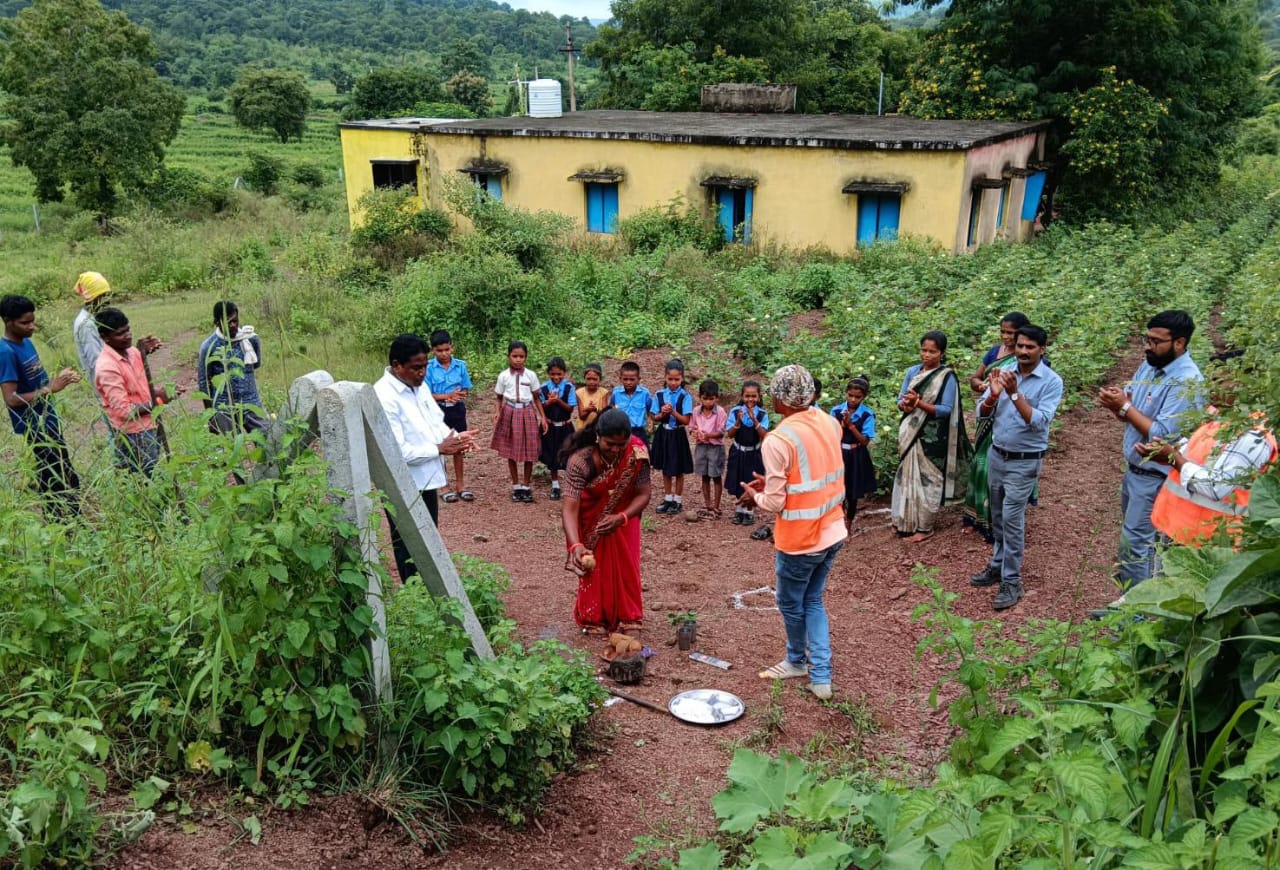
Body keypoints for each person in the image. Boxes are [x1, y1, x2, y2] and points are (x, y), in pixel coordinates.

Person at [739, 364, 845, 701]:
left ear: (779, 399)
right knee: (813, 600)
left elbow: (773, 502)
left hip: (802, 538)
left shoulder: (778, 439)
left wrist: (754, 494)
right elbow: (814, 471)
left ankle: (798, 661)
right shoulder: (829, 421)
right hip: (833, 528)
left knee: (791, 602)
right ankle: (821, 676)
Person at [1098, 310, 1203, 589]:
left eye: (1156, 341)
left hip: (1156, 477)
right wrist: (1118, 405)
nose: (1148, 345)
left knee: (1138, 546)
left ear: (1179, 343)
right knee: (1131, 541)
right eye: (1147, 338)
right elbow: (1132, 412)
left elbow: (1161, 435)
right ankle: (1125, 605)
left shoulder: (1186, 381)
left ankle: (1137, 615)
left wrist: (1124, 407)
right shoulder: (1150, 366)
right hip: (1135, 472)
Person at [968, 325, 1063, 611]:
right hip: (998, 455)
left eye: (1030, 347)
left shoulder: (1051, 382)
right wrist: (994, 394)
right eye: (1020, 346)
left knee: (1012, 519)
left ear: (1042, 349)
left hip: (1025, 461)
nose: (1022, 351)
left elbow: (1039, 422)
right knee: (997, 516)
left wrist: (1013, 393)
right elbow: (980, 413)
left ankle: (1012, 580)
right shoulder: (1005, 371)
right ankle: (997, 565)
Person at [1142, 351, 1276, 551]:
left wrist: (1174, 459)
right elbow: (1200, 456)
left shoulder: (1252, 436)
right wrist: (1168, 453)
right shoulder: (1218, 416)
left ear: (1245, 384)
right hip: (1181, 533)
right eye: (1210, 379)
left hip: (1212, 545)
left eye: (1219, 380)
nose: (1210, 387)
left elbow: (1217, 486)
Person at [374, 334, 476, 582]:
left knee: (428, 536)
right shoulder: (384, 396)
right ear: (397, 366)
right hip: (402, 483)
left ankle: (428, 591)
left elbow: (435, 423)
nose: (422, 373)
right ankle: (413, 596)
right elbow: (397, 451)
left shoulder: (420, 387)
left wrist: (456, 438)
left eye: (424, 367)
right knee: (407, 542)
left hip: (426, 478)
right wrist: (440, 449)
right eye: (416, 368)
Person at [561, 408, 651, 634]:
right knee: (592, 565)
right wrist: (575, 545)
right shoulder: (580, 461)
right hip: (591, 518)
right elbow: (570, 508)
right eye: (610, 443)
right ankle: (593, 618)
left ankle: (629, 616)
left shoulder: (637, 452)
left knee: (627, 565)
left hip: (625, 515)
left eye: (622, 444)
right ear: (598, 437)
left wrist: (622, 517)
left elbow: (644, 493)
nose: (616, 450)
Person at [0, 294, 81, 519]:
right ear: (8, 321)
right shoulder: (5, 352)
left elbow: (37, 380)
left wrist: (60, 378)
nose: (32, 327)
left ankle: (71, 518)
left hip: (48, 418)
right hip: (35, 426)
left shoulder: (25, 341)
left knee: (64, 471)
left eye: (32, 320)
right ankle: (60, 521)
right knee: (53, 476)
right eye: (25, 323)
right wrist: (50, 389)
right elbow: (11, 398)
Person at [892, 330, 968, 542]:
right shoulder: (913, 372)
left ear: (941, 353)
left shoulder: (946, 377)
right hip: (910, 431)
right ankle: (905, 521)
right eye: (923, 350)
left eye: (932, 352)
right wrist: (906, 404)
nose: (926, 355)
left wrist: (919, 404)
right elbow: (900, 400)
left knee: (929, 478)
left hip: (933, 437)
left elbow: (945, 409)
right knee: (907, 474)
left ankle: (924, 528)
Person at [965, 311, 1033, 540]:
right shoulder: (995, 352)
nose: (1006, 337)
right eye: (1003, 332)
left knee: (997, 468)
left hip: (1008, 417)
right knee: (981, 463)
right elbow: (975, 378)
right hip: (988, 408)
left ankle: (1000, 522)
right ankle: (978, 516)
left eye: (1011, 333)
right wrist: (982, 385)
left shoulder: (1025, 360)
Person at [92, 308, 169, 477]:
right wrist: (159, 400)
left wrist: (165, 393)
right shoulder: (107, 368)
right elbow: (125, 411)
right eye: (120, 334)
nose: (127, 336)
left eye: (128, 330)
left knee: (156, 470)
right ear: (105, 338)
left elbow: (140, 388)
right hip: (134, 433)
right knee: (146, 477)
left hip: (150, 424)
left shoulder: (132, 352)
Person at [71, 271, 159, 382]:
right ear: (91, 298)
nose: (107, 301)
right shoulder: (86, 325)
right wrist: (135, 353)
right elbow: (97, 361)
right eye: (102, 296)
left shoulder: (96, 318)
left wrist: (135, 352)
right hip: (107, 383)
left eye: (108, 296)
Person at [197, 301, 266, 434]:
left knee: (267, 438)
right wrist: (211, 416)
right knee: (230, 447)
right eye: (228, 322)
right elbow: (203, 381)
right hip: (223, 406)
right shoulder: (209, 346)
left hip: (250, 401)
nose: (233, 325)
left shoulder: (251, 339)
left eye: (235, 321)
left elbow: (255, 364)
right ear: (217, 323)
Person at [491, 340, 547, 503]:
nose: (518, 359)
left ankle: (526, 486)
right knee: (511, 448)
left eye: (521, 356)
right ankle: (516, 486)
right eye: (514, 356)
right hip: (509, 411)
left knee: (530, 448)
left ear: (526, 357)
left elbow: (537, 398)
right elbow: (499, 398)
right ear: (508, 356)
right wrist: (497, 411)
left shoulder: (531, 375)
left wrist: (543, 417)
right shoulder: (503, 376)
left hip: (527, 411)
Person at [427, 329, 474, 503]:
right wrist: (446, 396)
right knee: (440, 446)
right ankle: (444, 485)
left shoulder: (460, 365)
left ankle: (461, 485)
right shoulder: (429, 368)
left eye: (446, 349)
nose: (444, 354)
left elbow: (465, 388)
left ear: (452, 348)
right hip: (438, 411)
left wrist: (458, 396)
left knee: (459, 445)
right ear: (433, 350)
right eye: (439, 351)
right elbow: (426, 394)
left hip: (457, 409)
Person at [830, 376, 877, 533]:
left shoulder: (867, 415)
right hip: (839, 453)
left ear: (864, 397)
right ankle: (838, 522)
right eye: (850, 395)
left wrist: (850, 426)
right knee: (838, 489)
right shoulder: (836, 411)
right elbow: (830, 434)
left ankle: (848, 525)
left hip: (856, 454)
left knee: (853, 492)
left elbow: (865, 441)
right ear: (846, 393)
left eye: (858, 397)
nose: (853, 399)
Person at [650, 359, 694, 515]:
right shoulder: (660, 395)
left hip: (678, 433)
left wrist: (673, 412)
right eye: (670, 379)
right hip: (664, 433)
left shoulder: (685, 396)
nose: (673, 382)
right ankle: (668, 498)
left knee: (679, 468)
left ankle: (678, 499)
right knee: (665, 466)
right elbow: (654, 417)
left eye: (677, 379)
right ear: (665, 378)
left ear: (682, 379)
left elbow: (687, 420)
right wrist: (662, 413)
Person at [726, 380, 769, 526]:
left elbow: (764, 435)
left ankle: (749, 511)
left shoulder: (762, 414)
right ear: (742, 396)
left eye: (753, 396)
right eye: (747, 396)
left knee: (751, 481)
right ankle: (739, 510)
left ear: (758, 397)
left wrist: (754, 419)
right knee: (738, 479)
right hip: (738, 451)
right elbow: (730, 434)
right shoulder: (734, 411)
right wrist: (738, 421)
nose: (750, 399)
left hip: (754, 453)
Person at [539, 356, 577, 500]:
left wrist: (558, 400)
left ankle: (570, 484)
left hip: (565, 426)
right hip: (550, 427)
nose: (556, 377)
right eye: (553, 374)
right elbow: (541, 406)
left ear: (564, 373)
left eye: (559, 374)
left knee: (568, 453)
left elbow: (570, 408)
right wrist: (549, 402)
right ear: (548, 373)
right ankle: (555, 485)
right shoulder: (543, 388)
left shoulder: (569, 387)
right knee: (551, 454)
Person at [689, 378, 728, 518]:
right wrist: (694, 432)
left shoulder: (721, 412)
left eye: (711, 399)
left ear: (716, 398)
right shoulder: (696, 411)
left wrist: (709, 435)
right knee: (704, 475)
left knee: (716, 476)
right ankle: (707, 504)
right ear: (700, 398)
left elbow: (722, 431)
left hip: (715, 448)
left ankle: (716, 505)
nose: (708, 402)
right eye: (705, 399)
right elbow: (691, 426)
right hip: (701, 447)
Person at [608, 360, 651, 448]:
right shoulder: (616, 393)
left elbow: (650, 410)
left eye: (632, 379)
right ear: (620, 378)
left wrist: (650, 423)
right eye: (625, 379)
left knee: (642, 456)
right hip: (621, 431)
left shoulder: (645, 393)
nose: (628, 382)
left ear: (638, 379)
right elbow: (612, 408)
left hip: (639, 431)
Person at [574, 362, 609, 431]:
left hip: (598, 427)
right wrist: (588, 410)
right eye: (589, 379)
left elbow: (604, 414)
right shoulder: (579, 392)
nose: (591, 382)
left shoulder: (604, 392)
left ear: (600, 379)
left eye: (595, 379)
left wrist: (595, 409)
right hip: (583, 428)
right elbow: (581, 416)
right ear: (584, 378)